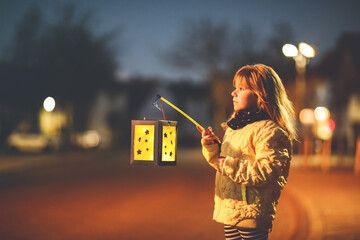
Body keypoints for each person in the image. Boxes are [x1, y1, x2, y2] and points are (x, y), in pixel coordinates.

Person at [197, 64, 297, 240]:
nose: (233, 93)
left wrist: (228, 164)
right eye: (235, 88)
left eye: (241, 89)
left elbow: (266, 171)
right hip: (231, 209)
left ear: (261, 96)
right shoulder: (235, 127)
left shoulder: (271, 131)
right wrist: (211, 146)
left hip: (251, 211)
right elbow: (221, 163)